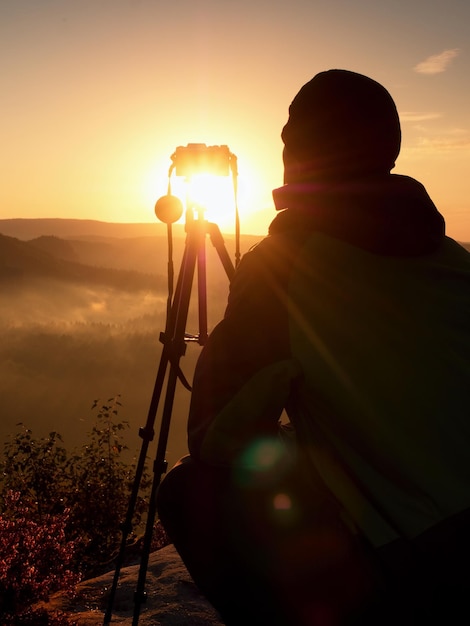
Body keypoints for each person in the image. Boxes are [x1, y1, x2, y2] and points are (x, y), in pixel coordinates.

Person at [156, 69, 470, 625]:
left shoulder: (287, 265)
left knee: (187, 488)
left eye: (288, 137)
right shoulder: (454, 262)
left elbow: (214, 435)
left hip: (418, 564)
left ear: (301, 152)